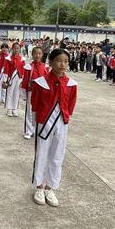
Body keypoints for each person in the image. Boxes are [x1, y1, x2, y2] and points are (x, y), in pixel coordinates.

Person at [31, 49, 77, 207]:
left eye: (65, 61)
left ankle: (50, 187)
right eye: (58, 60)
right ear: (50, 62)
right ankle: (39, 186)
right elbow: (35, 105)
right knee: (42, 154)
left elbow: (70, 106)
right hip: (44, 122)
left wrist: (64, 119)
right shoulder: (40, 82)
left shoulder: (72, 84)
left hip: (62, 123)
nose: (62, 64)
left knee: (57, 156)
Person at [21, 47, 47, 140]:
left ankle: (36, 129)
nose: (37, 55)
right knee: (29, 111)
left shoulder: (45, 67)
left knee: (39, 111)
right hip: (31, 92)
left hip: (41, 93)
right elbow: (25, 81)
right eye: (35, 53)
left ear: (42, 55)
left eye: (39, 53)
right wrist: (24, 94)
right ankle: (28, 130)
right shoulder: (29, 67)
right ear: (32, 55)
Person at [3, 41, 25, 117]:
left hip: (19, 77)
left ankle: (15, 109)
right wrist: (5, 80)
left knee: (16, 93)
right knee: (10, 93)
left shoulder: (22, 59)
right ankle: (9, 108)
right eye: (15, 48)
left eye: (18, 48)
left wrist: (23, 80)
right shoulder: (8, 58)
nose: (16, 50)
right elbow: (6, 70)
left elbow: (23, 70)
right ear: (12, 49)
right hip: (10, 78)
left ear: (20, 49)